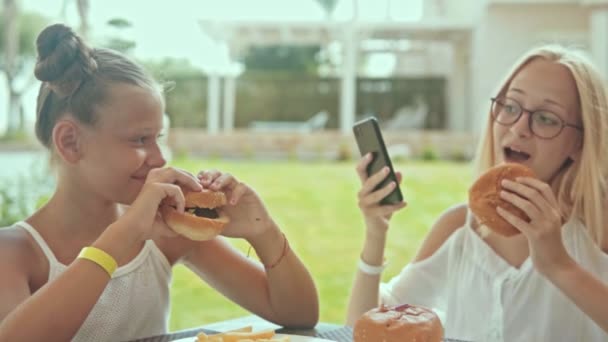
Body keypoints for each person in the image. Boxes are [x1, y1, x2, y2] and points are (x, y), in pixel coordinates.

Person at [0, 24, 319, 341]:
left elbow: (299, 315)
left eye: (158, 138)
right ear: (70, 142)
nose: (159, 158)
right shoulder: (15, 253)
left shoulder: (167, 232)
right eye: (140, 139)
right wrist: (123, 235)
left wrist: (263, 231)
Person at [347, 44, 608, 341]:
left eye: (546, 118)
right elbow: (362, 331)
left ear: (579, 143)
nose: (520, 127)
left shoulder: (598, 230)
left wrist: (559, 266)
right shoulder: (459, 229)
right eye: (511, 107)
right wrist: (375, 234)